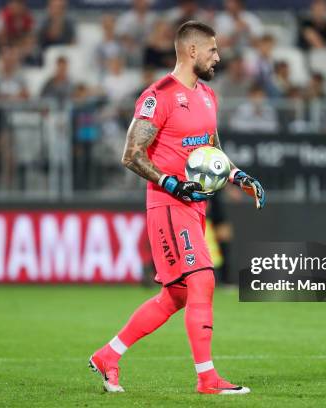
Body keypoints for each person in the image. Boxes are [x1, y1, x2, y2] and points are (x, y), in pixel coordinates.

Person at [89, 20, 265, 395]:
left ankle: (108, 355)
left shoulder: (208, 97)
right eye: (213, 51)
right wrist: (170, 183)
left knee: (178, 295)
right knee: (203, 279)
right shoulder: (159, 95)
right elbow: (131, 154)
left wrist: (240, 178)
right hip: (169, 204)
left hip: (195, 207)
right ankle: (207, 379)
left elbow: (212, 152)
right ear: (192, 52)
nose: (218, 57)